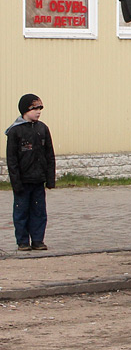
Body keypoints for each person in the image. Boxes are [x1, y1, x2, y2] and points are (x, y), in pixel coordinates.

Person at [6, 94, 55, 252]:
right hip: (23, 181)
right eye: (34, 108)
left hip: (38, 180)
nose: (38, 111)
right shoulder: (15, 131)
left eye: (40, 108)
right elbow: (12, 160)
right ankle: (22, 242)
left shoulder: (42, 129)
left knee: (39, 212)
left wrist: (50, 179)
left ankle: (38, 240)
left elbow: (49, 155)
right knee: (21, 212)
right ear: (25, 110)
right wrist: (16, 182)